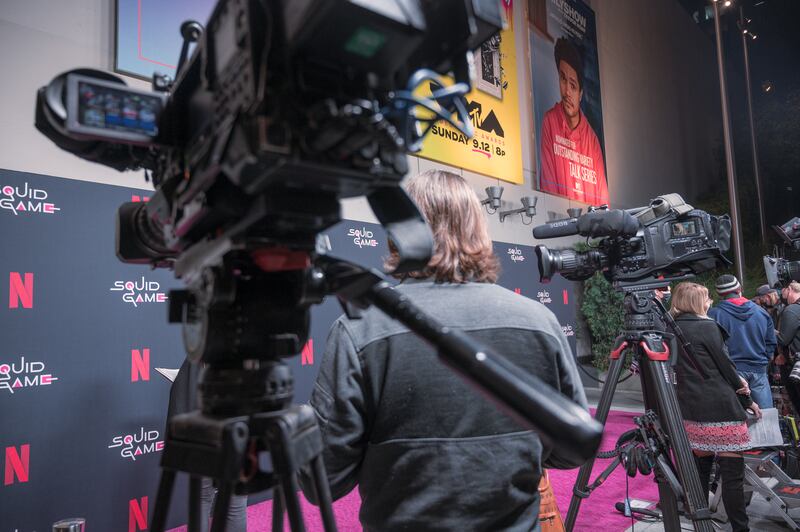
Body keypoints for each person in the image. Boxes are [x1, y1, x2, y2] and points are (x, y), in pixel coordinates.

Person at [300, 169, 587, 531]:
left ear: (398, 235)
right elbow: (571, 450)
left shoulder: (359, 328)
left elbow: (322, 477)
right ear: (479, 231)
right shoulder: (540, 321)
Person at [671, 282, 760, 532]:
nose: (709, 301)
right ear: (696, 302)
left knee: (700, 471)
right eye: (706, 297)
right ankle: (740, 529)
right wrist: (748, 401)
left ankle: (700, 524)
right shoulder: (707, 326)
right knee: (732, 478)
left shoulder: (671, 328)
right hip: (721, 407)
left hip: (690, 408)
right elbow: (726, 367)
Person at [539, 37, 609, 206]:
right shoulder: (550, 121)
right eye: (563, 79)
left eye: (573, 85)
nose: (567, 92)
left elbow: (604, 205)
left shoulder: (592, 141)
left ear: (581, 94)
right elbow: (548, 190)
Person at [708, 274, 777, 410]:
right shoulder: (761, 312)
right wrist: (765, 360)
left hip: (732, 373)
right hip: (759, 370)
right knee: (765, 417)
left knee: (737, 420)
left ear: (719, 294)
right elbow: (771, 343)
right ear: (739, 289)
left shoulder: (713, 315)